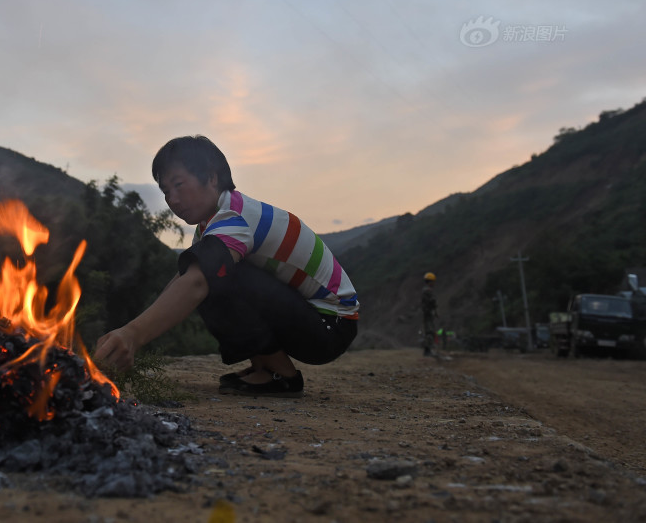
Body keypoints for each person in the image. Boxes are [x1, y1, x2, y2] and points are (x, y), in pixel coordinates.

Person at [93, 135, 360, 397]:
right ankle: (264, 367)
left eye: (178, 185)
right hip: (313, 317)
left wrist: (133, 335)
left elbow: (196, 282)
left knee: (214, 275)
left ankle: (281, 376)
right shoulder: (215, 221)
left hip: (331, 325)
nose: (172, 200)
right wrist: (131, 328)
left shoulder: (233, 218)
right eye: (165, 191)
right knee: (209, 270)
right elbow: (182, 279)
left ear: (211, 177)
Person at [421, 272, 438, 356]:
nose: (434, 283)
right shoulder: (428, 291)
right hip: (428, 314)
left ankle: (428, 350)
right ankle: (427, 350)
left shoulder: (425, 290)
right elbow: (432, 302)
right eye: (433, 281)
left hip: (427, 313)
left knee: (429, 331)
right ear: (430, 281)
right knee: (430, 331)